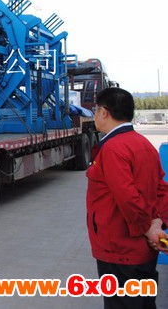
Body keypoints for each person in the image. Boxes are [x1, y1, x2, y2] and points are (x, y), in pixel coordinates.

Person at [86, 87, 168, 309]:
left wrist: (148, 228)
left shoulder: (112, 149)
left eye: (95, 110)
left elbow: (129, 198)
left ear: (104, 112)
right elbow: (162, 189)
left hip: (119, 252)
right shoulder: (143, 143)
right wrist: (158, 222)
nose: (95, 115)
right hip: (144, 252)